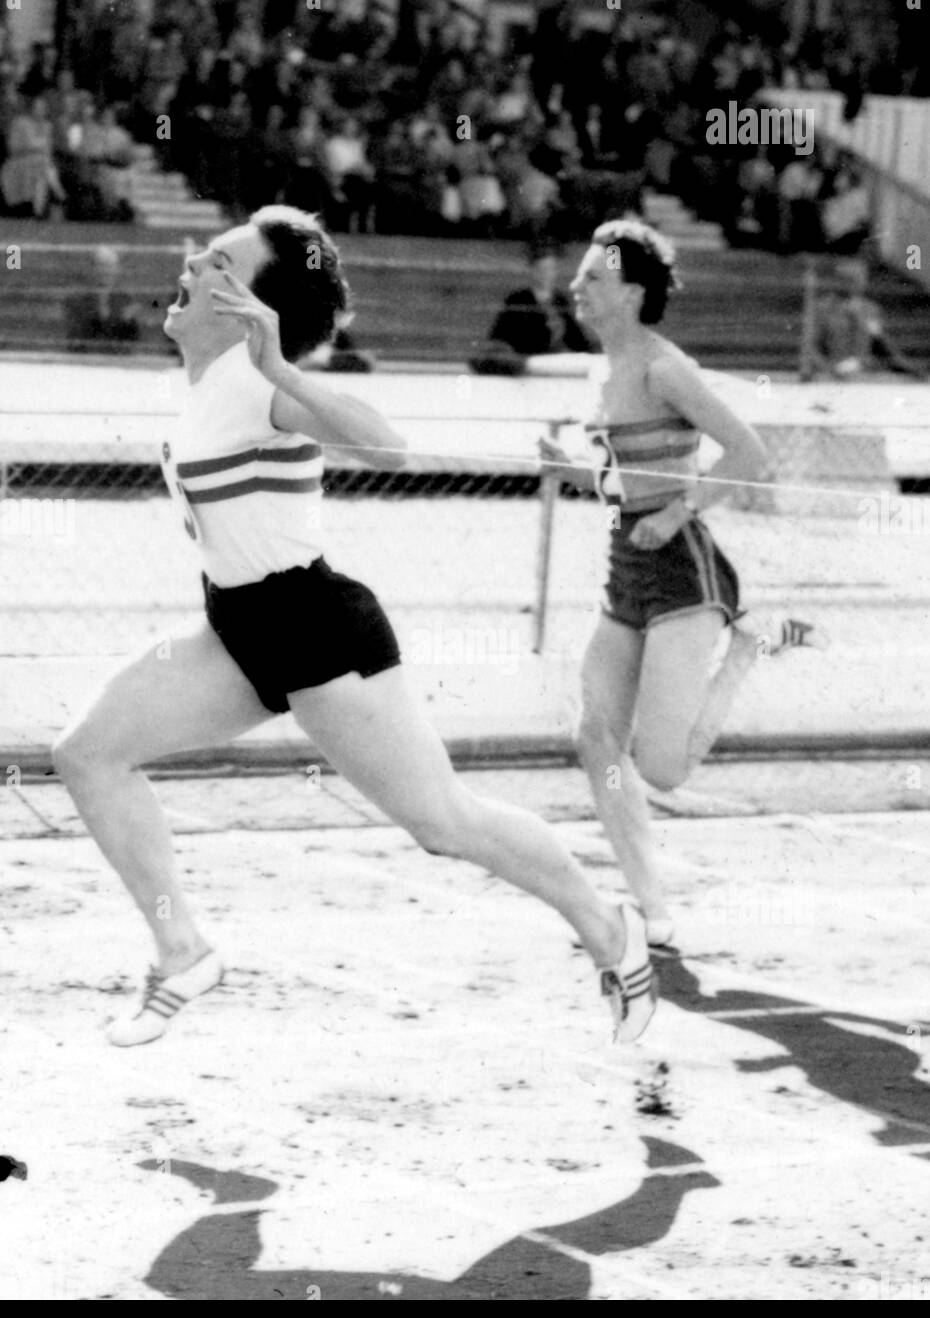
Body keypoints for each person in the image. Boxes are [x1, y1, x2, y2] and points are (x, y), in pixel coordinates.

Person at [52, 206, 655, 1048]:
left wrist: (282, 368)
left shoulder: (263, 385)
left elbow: (390, 447)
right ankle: (182, 949)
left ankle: (607, 925)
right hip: (237, 629)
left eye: (215, 262)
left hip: (319, 633)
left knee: (445, 824)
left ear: (247, 305)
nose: (190, 265)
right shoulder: (205, 387)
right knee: (87, 753)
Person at [538, 220, 825, 947]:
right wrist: (566, 468)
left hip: (683, 569)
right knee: (596, 736)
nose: (577, 287)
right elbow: (617, 480)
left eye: (593, 278)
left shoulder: (665, 368)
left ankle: (748, 648)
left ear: (632, 293)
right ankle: (652, 910)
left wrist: (677, 512)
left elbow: (750, 453)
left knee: (662, 768)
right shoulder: (597, 370)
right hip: (625, 565)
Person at [470, 241, 591, 376]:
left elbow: (575, 336)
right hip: (529, 360)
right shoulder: (518, 299)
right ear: (533, 271)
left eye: (551, 269)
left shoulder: (559, 300)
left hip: (555, 359)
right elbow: (501, 336)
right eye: (542, 269)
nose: (547, 274)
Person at [803, 259, 926, 381]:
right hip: (832, 373)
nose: (857, 282)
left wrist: (910, 370)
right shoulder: (822, 308)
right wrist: (830, 370)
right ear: (839, 280)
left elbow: (884, 348)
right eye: (849, 278)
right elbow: (812, 347)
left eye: (860, 278)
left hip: (864, 374)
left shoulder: (870, 309)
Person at [65, 246, 140, 352]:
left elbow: (132, 341)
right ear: (93, 269)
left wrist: (126, 321)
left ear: (117, 270)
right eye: (102, 266)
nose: (106, 271)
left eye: (110, 266)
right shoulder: (78, 299)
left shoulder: (126, 300)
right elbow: (78, 338)